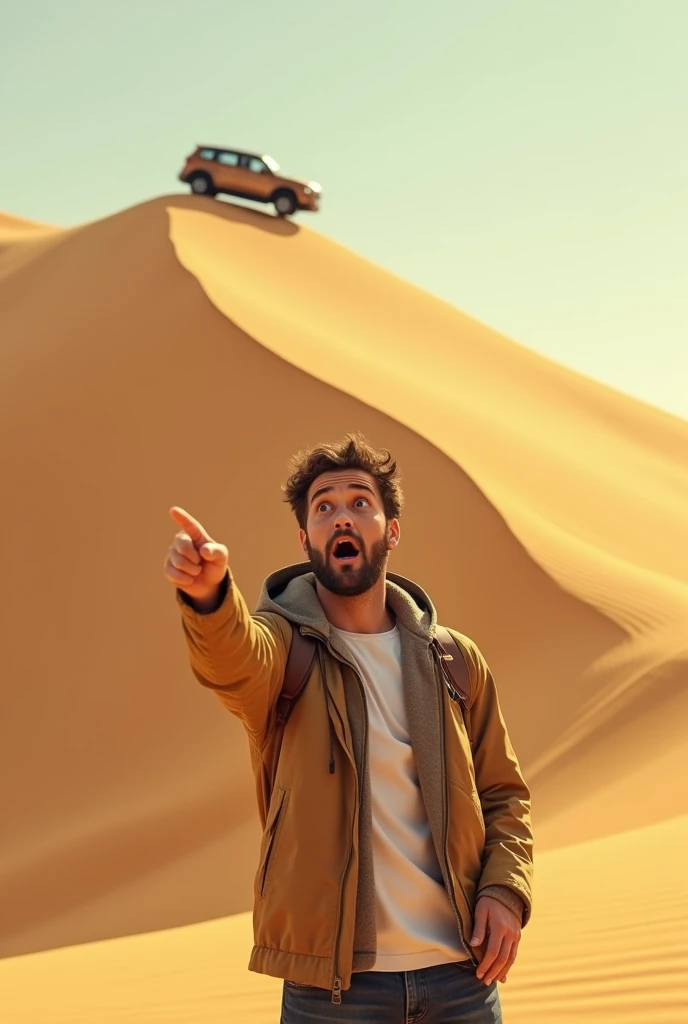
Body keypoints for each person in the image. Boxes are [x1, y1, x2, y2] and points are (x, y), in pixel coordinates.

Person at [165, 433, 534, 1023]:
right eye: (324, 506)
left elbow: (504, 795)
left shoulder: (454, 660)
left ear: (391, 531)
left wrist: (505, 892)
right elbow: (233, 663)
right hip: (334, 993)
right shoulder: (284, 652)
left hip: (462, 978)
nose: (342, 515)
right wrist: (210, 597)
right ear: (306, 539)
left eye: (360, 502)